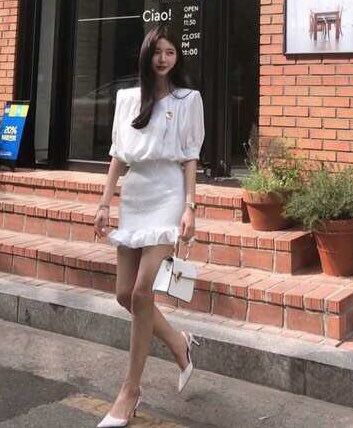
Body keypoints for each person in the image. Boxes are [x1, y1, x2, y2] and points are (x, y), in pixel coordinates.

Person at [93, 25, 204, 428]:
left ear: (177, 57)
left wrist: (190, 207)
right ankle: (178, 342)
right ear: (146, 55)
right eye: (157, 51)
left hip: (168, 194)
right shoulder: (127, 99)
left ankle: (130, 392)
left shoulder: (188, 99)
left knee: (142, 291)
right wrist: (105, 201)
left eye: (170, 52)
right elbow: (118, 155)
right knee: (125, 294)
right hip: (136, 194)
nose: (163, 59)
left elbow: (190, 156)